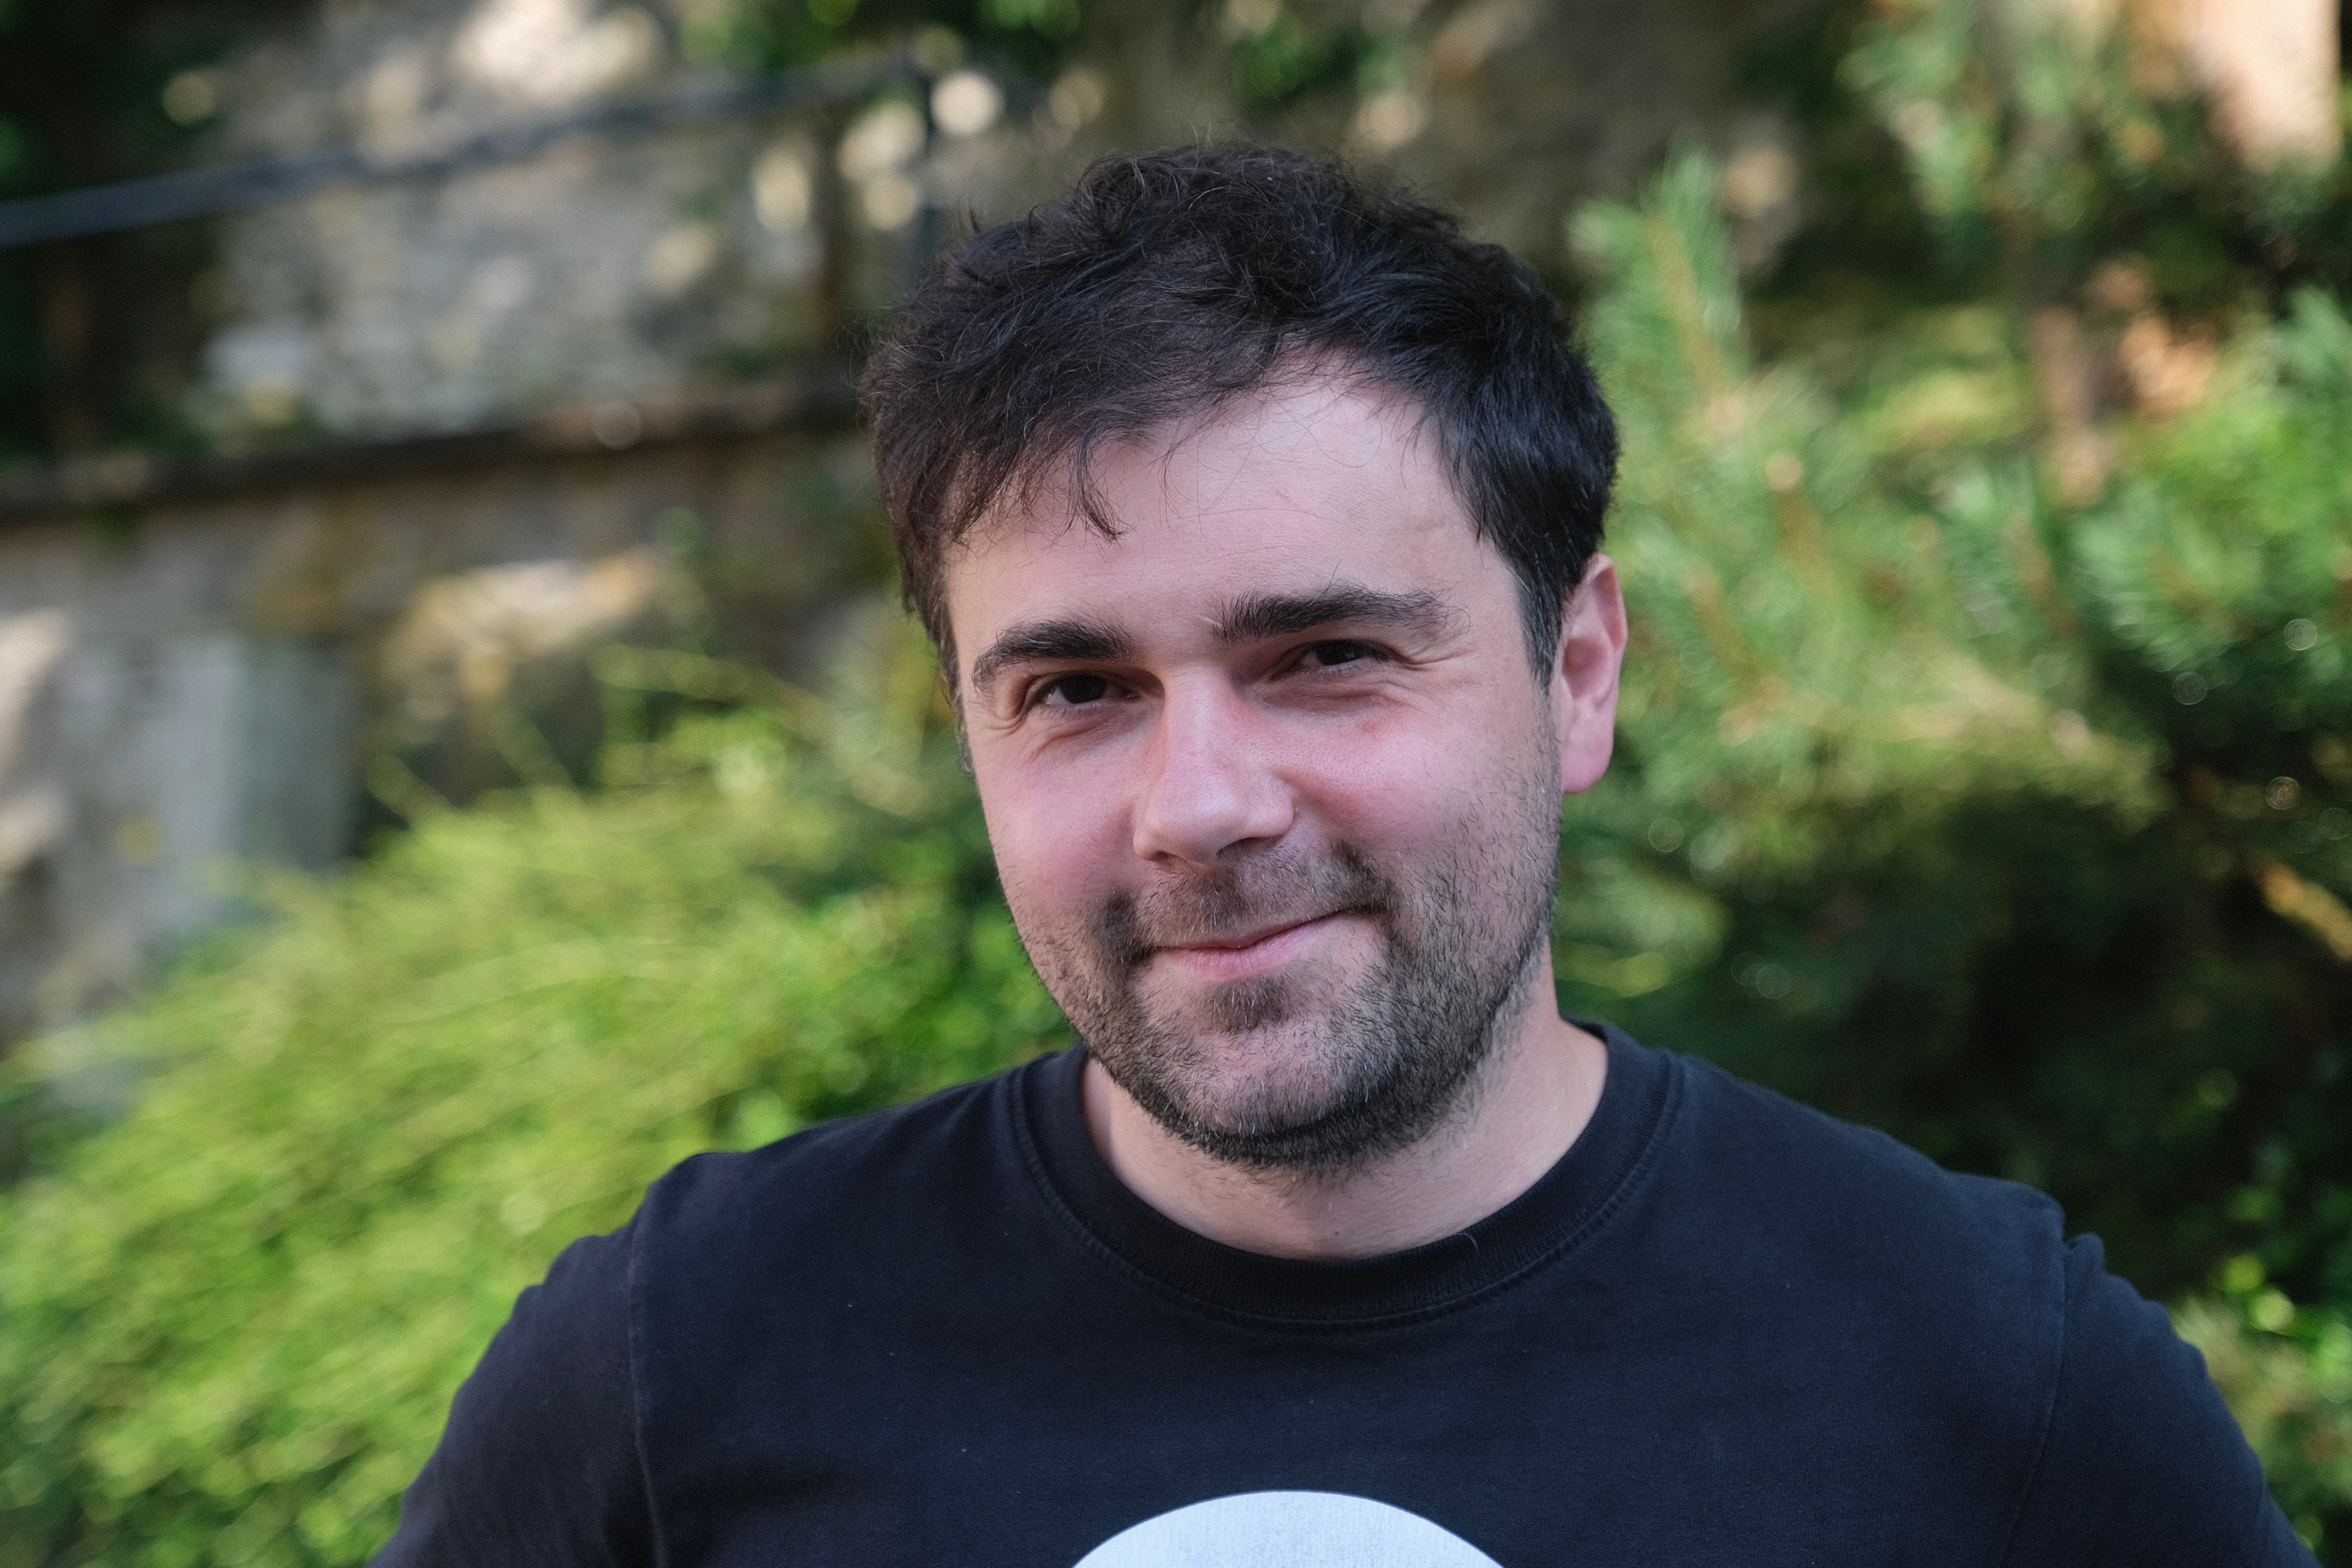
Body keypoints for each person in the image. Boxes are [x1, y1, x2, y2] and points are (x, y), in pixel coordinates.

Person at [374, 143, 2314, 1566]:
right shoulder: (684, 1365)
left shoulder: (1993, 1377)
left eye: (1324, 657)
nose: (1201, 804)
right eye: (1075, 689)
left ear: (1576, 672)